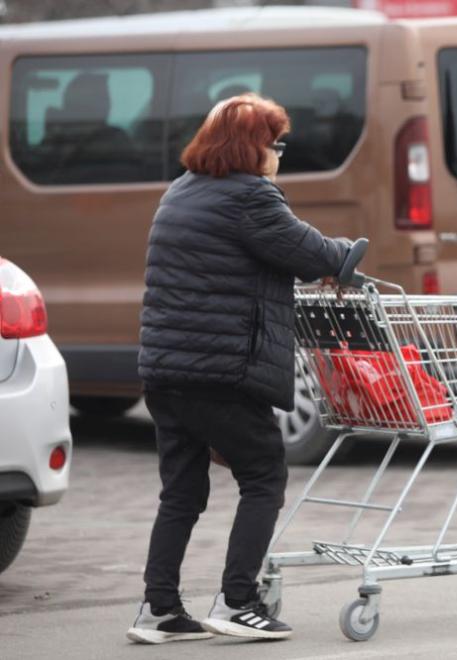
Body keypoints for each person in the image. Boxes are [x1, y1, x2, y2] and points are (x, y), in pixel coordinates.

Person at [126, 93, 354, 644]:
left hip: (166, 371)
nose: (280, 155)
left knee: (181, 491)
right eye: (276, 145)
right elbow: (314, 253)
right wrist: (348, 253)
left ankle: (159, 609)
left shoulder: (179, 192)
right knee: (264, 475)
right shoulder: (250, 197)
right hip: (220, 372)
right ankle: (238, 602)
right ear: (255, 148)